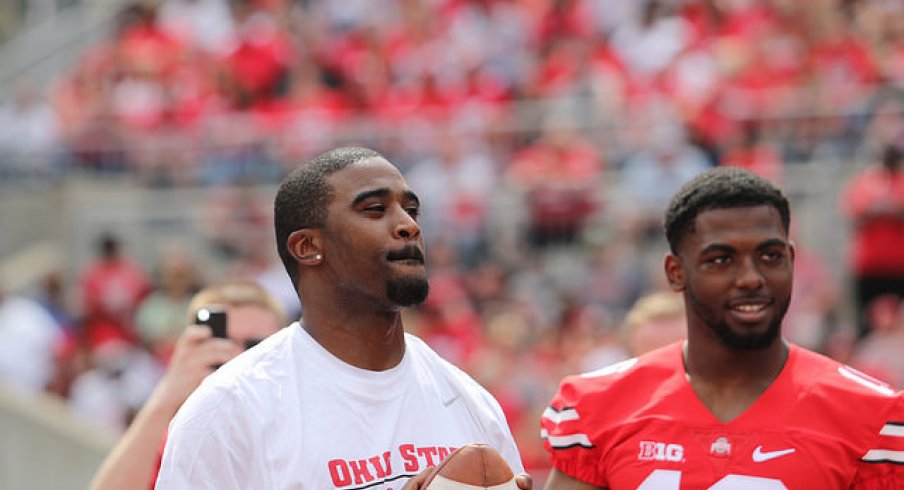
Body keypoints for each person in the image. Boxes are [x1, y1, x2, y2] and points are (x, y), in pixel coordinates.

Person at [156, 147, 528, 488]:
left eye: (411, 210)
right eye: (374, 210)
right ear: (308, 247)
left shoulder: (470, 400)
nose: (409, 226)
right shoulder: (228, 410)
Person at [540, 167, 904, 489]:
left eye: (770, 256)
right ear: (675, 272)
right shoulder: (597, 405)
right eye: (721, 260)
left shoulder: (871, 415)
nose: (750, 278)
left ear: (792, 261)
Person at [90, 280, 286, 490]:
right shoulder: (181, 430)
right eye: (222, 342)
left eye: (255, 346)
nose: (236, 356)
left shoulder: (300, 419)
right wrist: (168, 393)